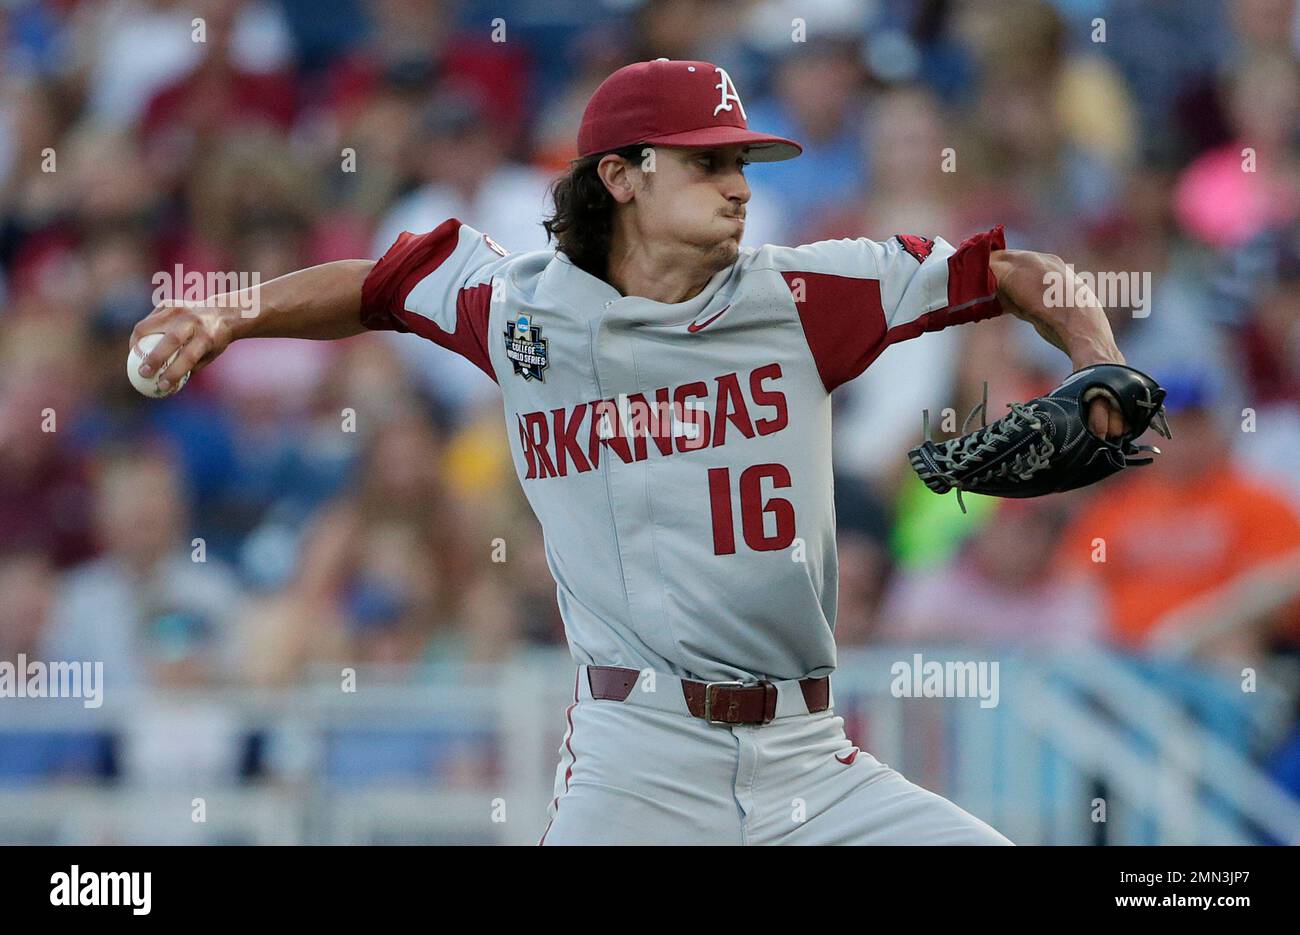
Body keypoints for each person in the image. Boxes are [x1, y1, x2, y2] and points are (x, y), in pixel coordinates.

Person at [130, 60, 1133, 845]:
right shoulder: (524, 308)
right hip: (637, 757)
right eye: (707, 161)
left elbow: (1013, 270)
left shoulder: (802, 296)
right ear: (618, 175)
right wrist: (234, 310)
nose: (737, 186)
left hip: (810, 755)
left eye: (742, 162)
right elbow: (380, 285)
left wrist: (1099, 365)